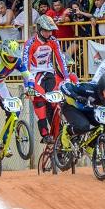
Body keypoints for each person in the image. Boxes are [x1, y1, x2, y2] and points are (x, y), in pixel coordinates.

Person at [23, 15, 69, 143]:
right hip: (34, 76)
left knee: (55, 103)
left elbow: (60, 59)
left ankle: (58, 133)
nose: (49, 33)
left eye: (50, 31)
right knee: (39, 101)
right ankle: (44, 133)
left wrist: (66, 77)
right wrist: (27, 86)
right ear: (39, 29)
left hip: (49, 74)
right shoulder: (30, 43)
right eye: (46, 30)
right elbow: (25, 66)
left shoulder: (53, 40)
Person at [59, 74, 105, 151]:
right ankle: (67, 131)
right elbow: (64, 87)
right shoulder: (88, 88)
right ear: (101, 88)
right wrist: (76, 96)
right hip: (71, 107)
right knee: (84, 126)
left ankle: (90, 148)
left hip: (87, 110)